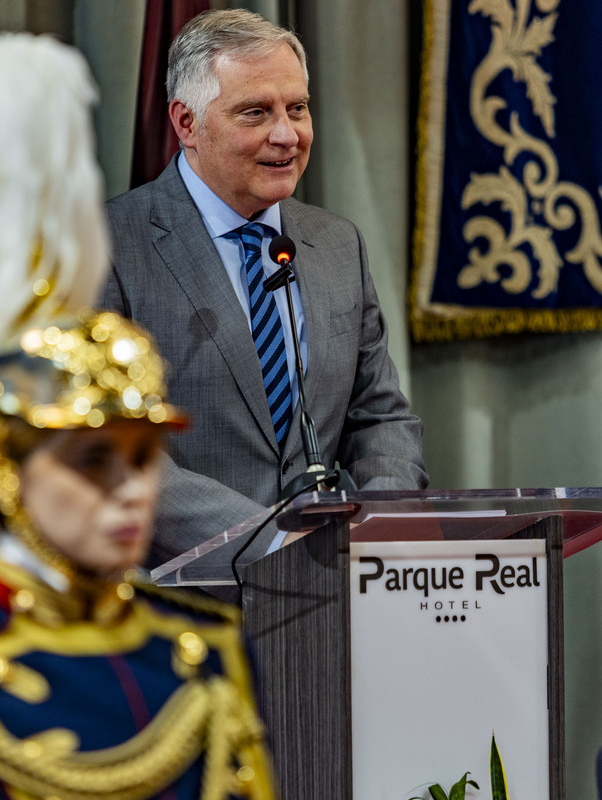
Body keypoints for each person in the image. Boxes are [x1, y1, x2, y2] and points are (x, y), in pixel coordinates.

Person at [0, 311, 277, 800]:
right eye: (93, 460)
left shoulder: (210, 656)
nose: (133, 490)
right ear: (5, 469)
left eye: (143, 457)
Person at [102, 9, 427, 567]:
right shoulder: (109, 246)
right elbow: (112, 447)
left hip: (331, 595)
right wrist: (267, 541)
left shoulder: (336, 244)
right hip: (177, 600)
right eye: (255, 113)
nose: (287, 135)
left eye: (297, 109)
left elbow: (379, 416)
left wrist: (379, 524)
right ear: (187, 124)